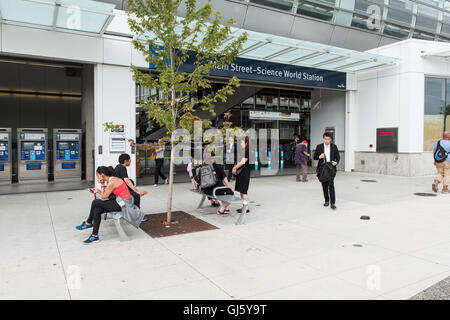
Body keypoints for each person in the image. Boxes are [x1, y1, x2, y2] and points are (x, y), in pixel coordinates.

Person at [75, 166, 138, 244]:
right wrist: (101, 185)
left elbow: (104, 196)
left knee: (95, 202)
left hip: (123, 205)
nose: (97, 178)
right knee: (97, 209)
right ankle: (94, 236)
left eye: (98, 176)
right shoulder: (111, 180)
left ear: (102, 175)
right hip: (119, 202)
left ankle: (88, 223)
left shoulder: (112, 182)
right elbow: (106, 196)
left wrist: (99, 189)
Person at [314, 132, 340, 210]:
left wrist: (336, 162)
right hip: (322, 168)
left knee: (331, 185)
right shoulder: (319, 147)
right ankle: (326, 201)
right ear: (323, 139)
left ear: (330, 139)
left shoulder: (334, 147)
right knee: (324, 185)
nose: (326, 141)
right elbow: (314, 157)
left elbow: (338, 157)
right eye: (325, 139)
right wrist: (319, 156)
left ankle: (333, 203)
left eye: (328, 139)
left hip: (331, 167)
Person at [233, 136, 251, 214]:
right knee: (241, 190)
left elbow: (243, 162)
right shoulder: (244, 150)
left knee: (244, 191)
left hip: (244, 173)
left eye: (241, 142)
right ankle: (243, 206)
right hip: (241, 173)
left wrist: (234, 168)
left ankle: (246, 208)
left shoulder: (248, 151)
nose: (240, 144)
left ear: (246, 142)